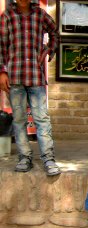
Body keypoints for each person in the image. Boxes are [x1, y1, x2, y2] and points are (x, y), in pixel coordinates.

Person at [0, 0, 60, 175]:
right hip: (14, 77)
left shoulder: (40, 15)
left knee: (42, 119)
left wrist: (49, 49)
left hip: (35, 76)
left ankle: (48, 158)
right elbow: (1, 47)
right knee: (19, 120)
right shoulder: (7, 17)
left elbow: (55, 33)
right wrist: (2, 72)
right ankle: (24, 157)